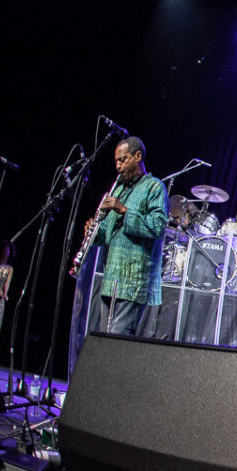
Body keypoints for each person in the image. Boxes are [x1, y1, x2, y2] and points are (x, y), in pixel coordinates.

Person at [83, 137, 169, 336]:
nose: (118, 166)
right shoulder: (118, 189)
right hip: (111, 279)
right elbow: (107, 234)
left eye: (123, 159)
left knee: (117, 343)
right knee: (104, 341)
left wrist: (124, 210)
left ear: (138, 156)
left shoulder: (154, 187)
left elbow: (158, 226)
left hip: (133, 281)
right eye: (116, 161)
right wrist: (94, 232)